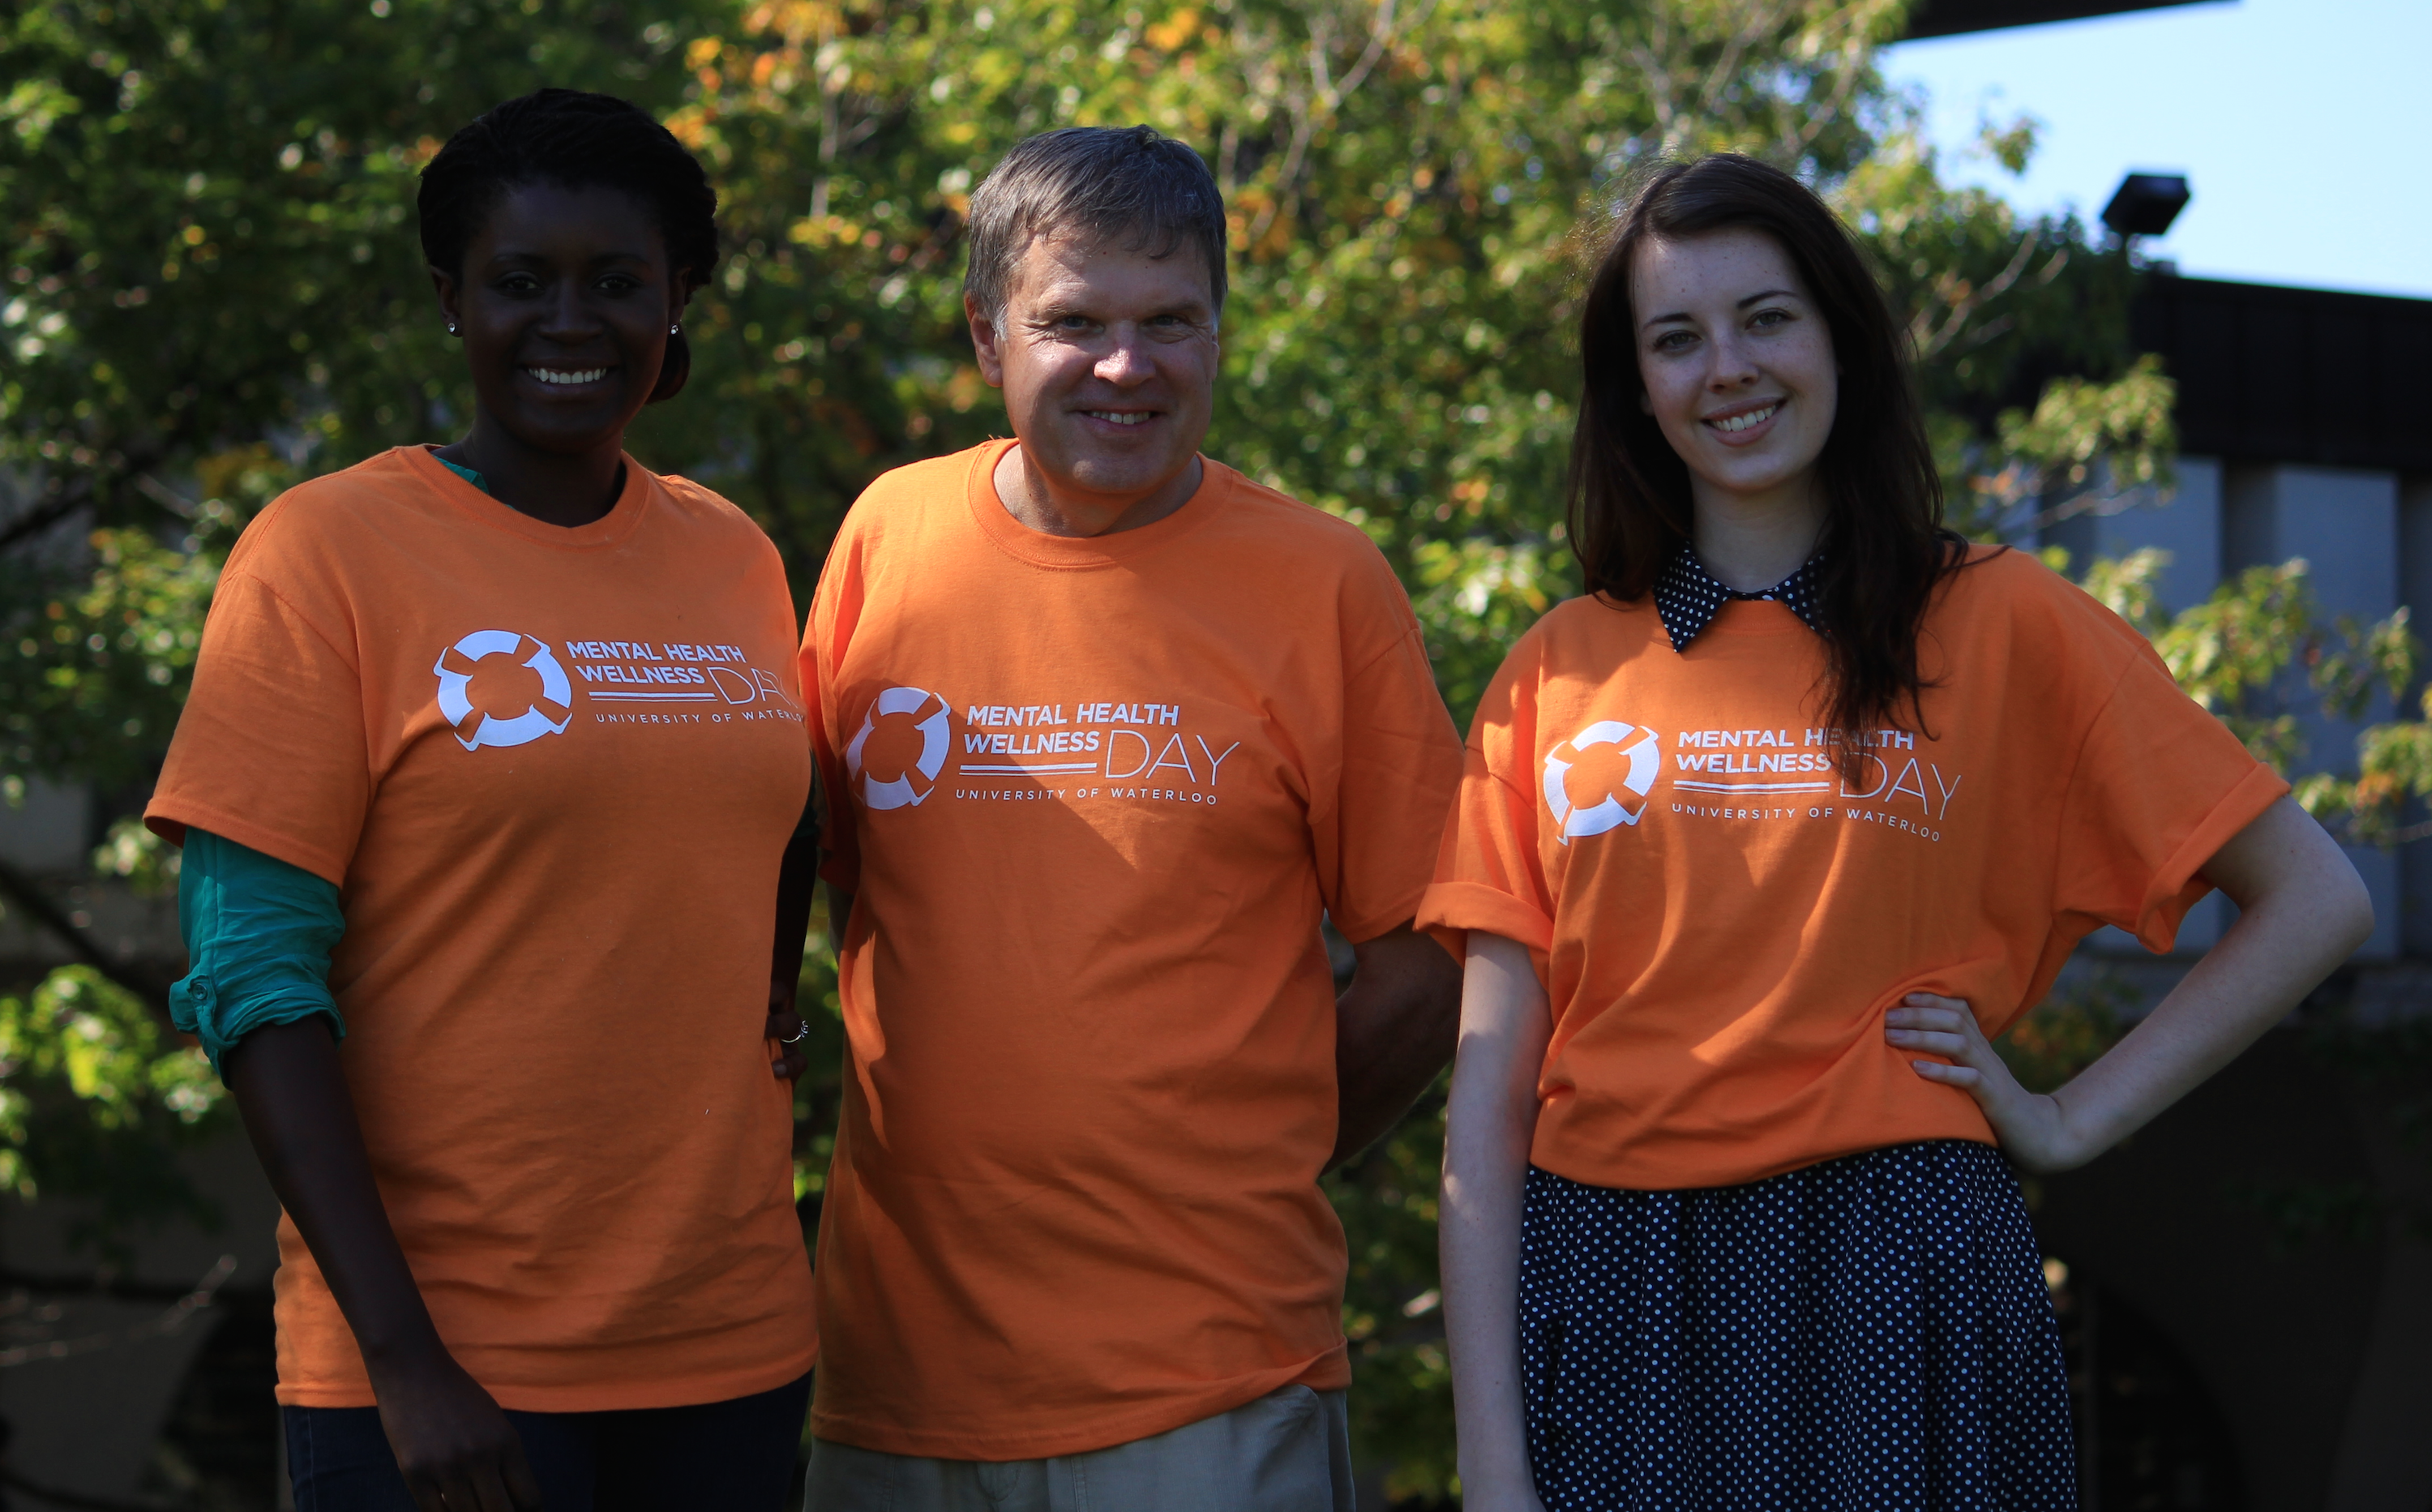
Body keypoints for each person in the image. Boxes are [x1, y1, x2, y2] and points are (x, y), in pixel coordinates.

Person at [1427, 152, 2374, 1511]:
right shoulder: (1555, 669)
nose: (1729, 368)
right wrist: (1489, 1460)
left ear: (1840, 339)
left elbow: (2315, 899)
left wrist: (2065, 1119)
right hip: (1617, 1282)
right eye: (1676, 338)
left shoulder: (2004, 620)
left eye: (1768, 317)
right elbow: (1487, 1095)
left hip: (1904, 1270)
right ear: (1637, 389)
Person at [144, 89, 821, 1511]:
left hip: (733, 1344)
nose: (569, 323)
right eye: (522, 284)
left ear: (678, 297)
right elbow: (250, 981)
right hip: (445, 1373)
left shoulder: (736, 556)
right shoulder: (323, 553)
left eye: (617, 282)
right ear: (454, 302)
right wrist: (405, 1360)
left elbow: (773, 828)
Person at [796, 125, 1465, 1510]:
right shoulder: (886, 539)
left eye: (1171, 321)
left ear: (1221, 334)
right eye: (1073, 322)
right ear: (987, 337)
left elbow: (1428, 955)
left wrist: (1247, 1145)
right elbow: (824, 872)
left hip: (1212, 1374)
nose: (1126, 365)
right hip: (894, 1378)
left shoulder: (1323, 583)